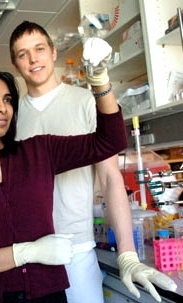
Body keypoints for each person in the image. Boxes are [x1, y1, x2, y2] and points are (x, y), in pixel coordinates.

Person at [9, 21, 177, 303]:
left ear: (53, 53)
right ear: (15, 63)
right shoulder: (12, 118)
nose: (33, 59)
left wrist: (127, 254)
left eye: (39, 49)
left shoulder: (88, 102)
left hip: (78, 249)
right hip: (30, 250)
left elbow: (111, 178)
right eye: (23, 54)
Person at [0, 66, 127, 302]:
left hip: (47, 293)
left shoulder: (39, 152)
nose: (2, 108)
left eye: (8, 100)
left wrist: (100, 82)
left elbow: (111, 141)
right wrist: (23, 254)